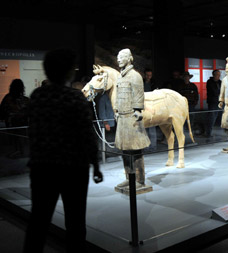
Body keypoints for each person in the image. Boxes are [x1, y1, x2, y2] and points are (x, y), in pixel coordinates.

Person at [24, 48, 103, 253]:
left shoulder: (37, 96)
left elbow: (32, 133)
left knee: (38, 222)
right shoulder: (74, 98)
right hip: (73, 169)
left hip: (42, 168)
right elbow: (87, 135)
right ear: (69, 72)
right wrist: (95, 165)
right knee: (75, 223)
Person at [114, 48, 150, 189]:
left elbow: (139, 94)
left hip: (131, 118)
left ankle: (139, 181)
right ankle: (129, 178)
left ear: (129, 58)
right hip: (122, 118)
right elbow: (117, 95)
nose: (118, 59)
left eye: (121, 57)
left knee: (136, 151)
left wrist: (137, 110)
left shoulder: (135, 76)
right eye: (117, 57)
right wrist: (116, 110)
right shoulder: (120, 76)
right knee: (125, 151)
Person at [143, 68, 158, 151]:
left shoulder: (154, 83)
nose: (149, 77)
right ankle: (146, 146)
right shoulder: (141, 82)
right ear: (144, 75)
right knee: (144, 127)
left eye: (150, 75)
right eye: (147, 75)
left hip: (152, 107)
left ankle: (153, 146)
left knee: (152, 127)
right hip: (143, 107)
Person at [205, 69, 222, 137]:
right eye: (217, 75)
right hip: (213, 102)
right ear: (214, 75)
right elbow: (214, 92)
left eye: (219, 75)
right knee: (211, 118)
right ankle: (208, 133)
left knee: (220, 117)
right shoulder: (209, 82)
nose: (218, 76)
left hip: (220, 102)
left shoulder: (220, 82)